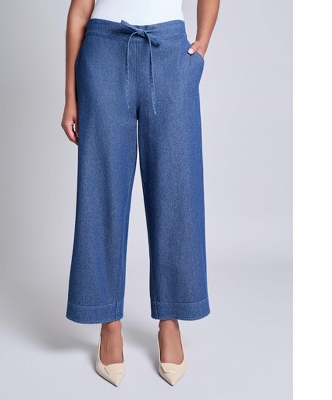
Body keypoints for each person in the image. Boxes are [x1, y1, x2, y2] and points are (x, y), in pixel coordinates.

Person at [61, 0, 220, 387]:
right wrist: (70, 96)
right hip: (102, 54)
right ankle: (108, 323)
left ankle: (171, 320)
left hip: (169, 54)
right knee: (101, 190)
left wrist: (202, 43)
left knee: (177, 190)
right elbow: (79, 12)